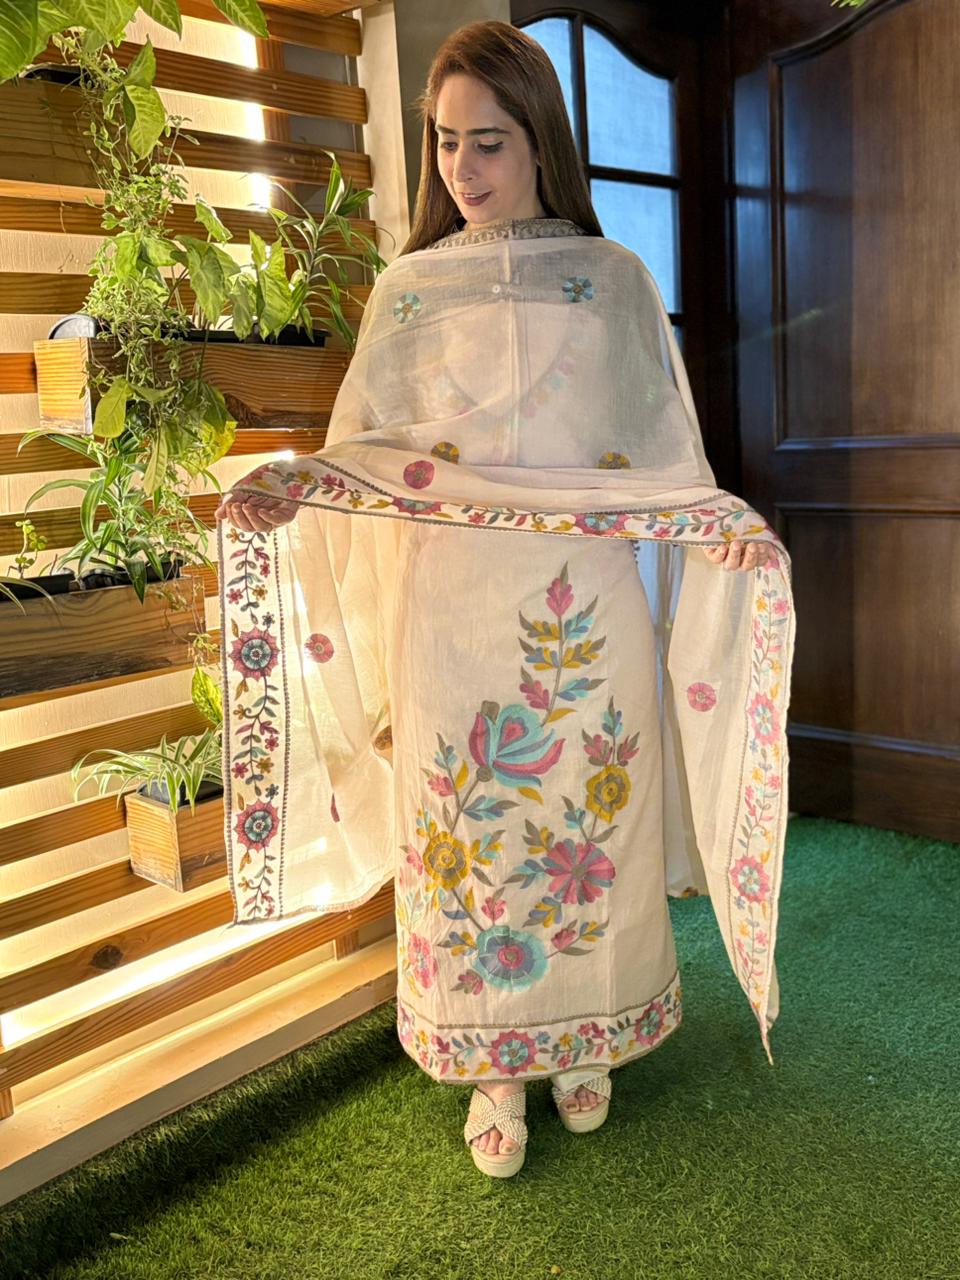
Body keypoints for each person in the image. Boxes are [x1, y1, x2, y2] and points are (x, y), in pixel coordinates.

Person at [214, 21, 792, 1180]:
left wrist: (717, 519)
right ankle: (493, 1066)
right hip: (453, 610)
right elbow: (373, 452)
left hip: (584, 612)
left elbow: (658, 454)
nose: (464, 169)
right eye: (446, 143)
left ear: (540, 143)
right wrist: (297, 486)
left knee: (589, 813)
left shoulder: (614, 283)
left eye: (489, 141)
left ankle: (589, 1031)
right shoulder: (409, 295)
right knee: (464, 824)